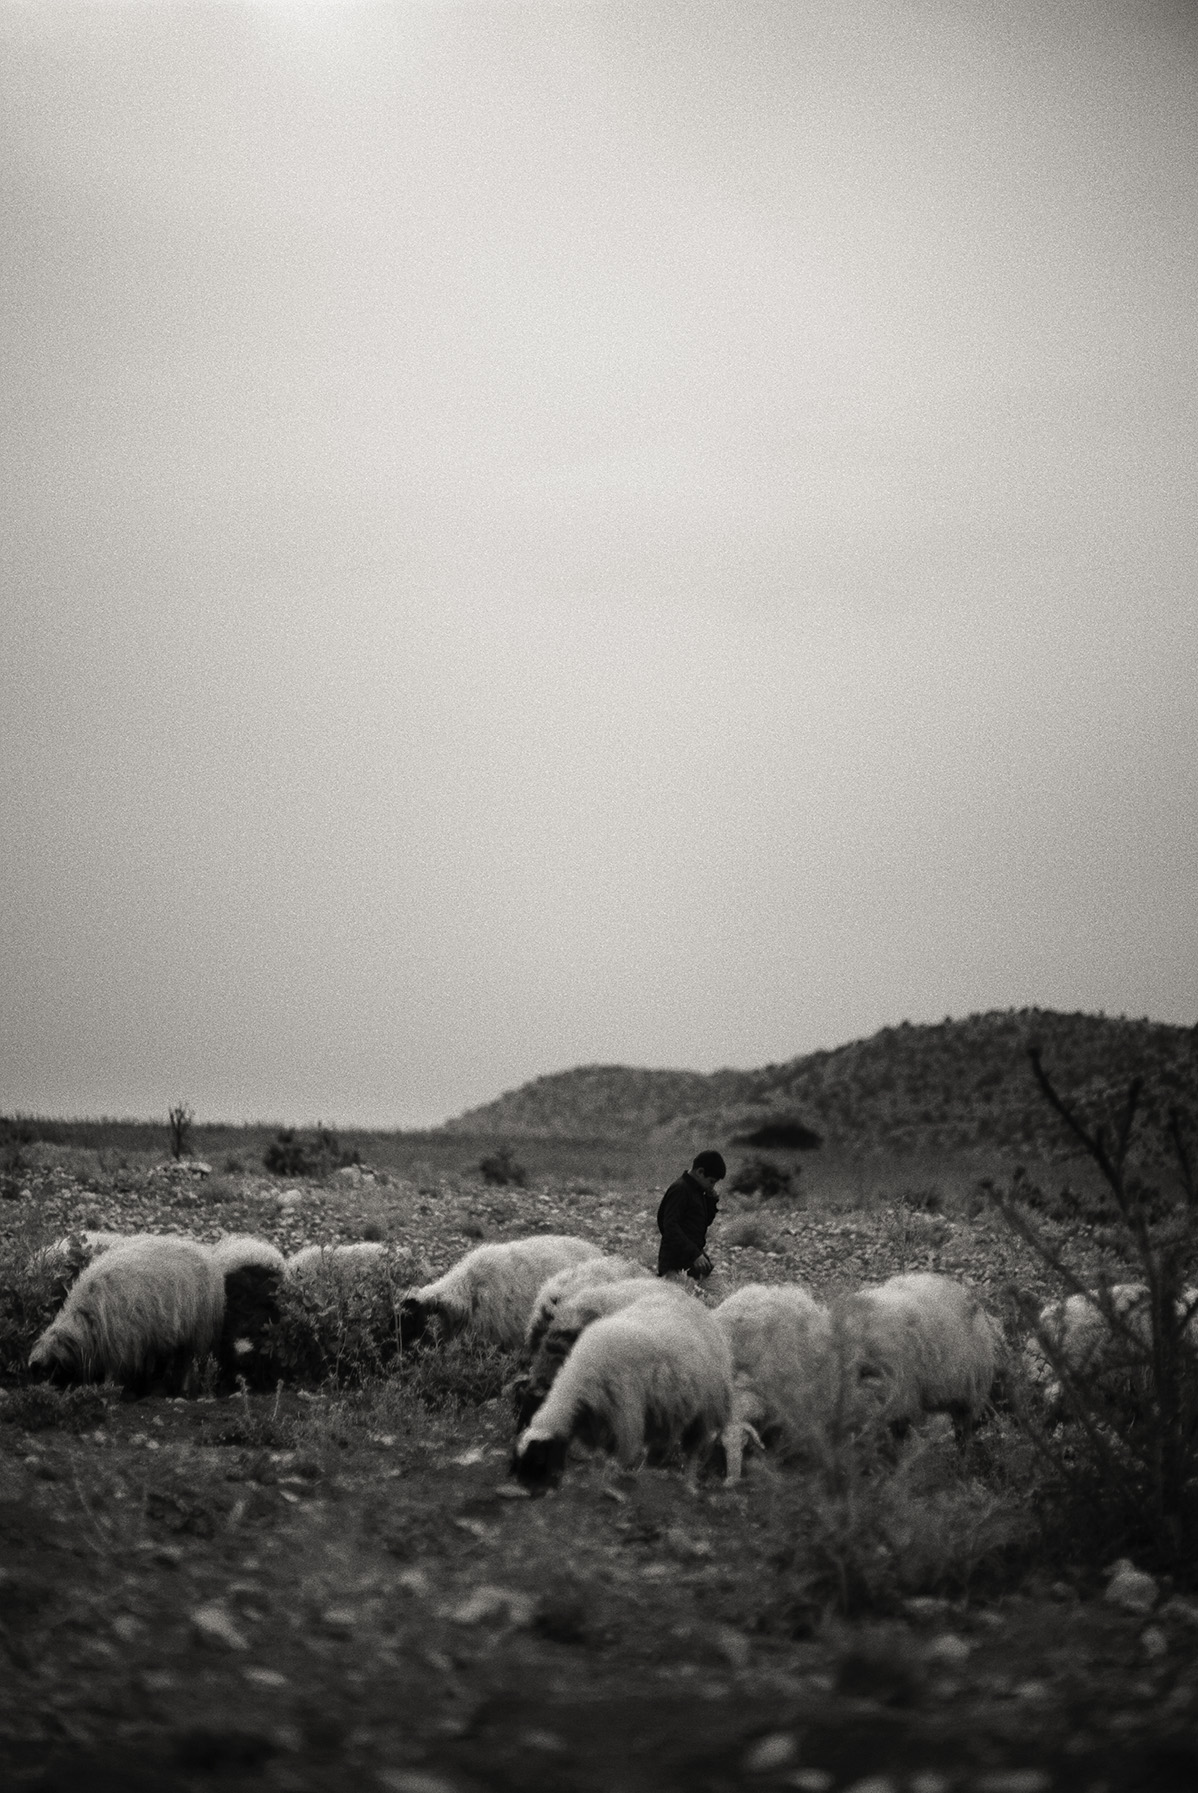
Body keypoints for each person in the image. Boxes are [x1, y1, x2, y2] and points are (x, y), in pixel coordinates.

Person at [656, 1150, 727, 1280]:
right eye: (711, 1181)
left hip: (691, 1259)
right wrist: (694, 1254)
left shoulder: (699, 1191)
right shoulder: (681, 1189)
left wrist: (711, 1201)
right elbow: (669, 1226)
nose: (712, 1186)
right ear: (700, 1172)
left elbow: (703, 1223)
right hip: (675, 1262)